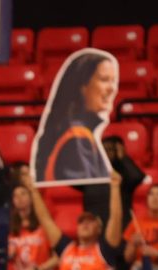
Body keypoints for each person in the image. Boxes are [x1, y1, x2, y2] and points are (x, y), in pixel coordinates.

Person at [32, 51, 118, 184]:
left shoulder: (70, 130)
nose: (112, 88)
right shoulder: (76, 137)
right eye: (104, 80)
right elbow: (84, 195)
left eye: (113, 81)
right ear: (82, 86)